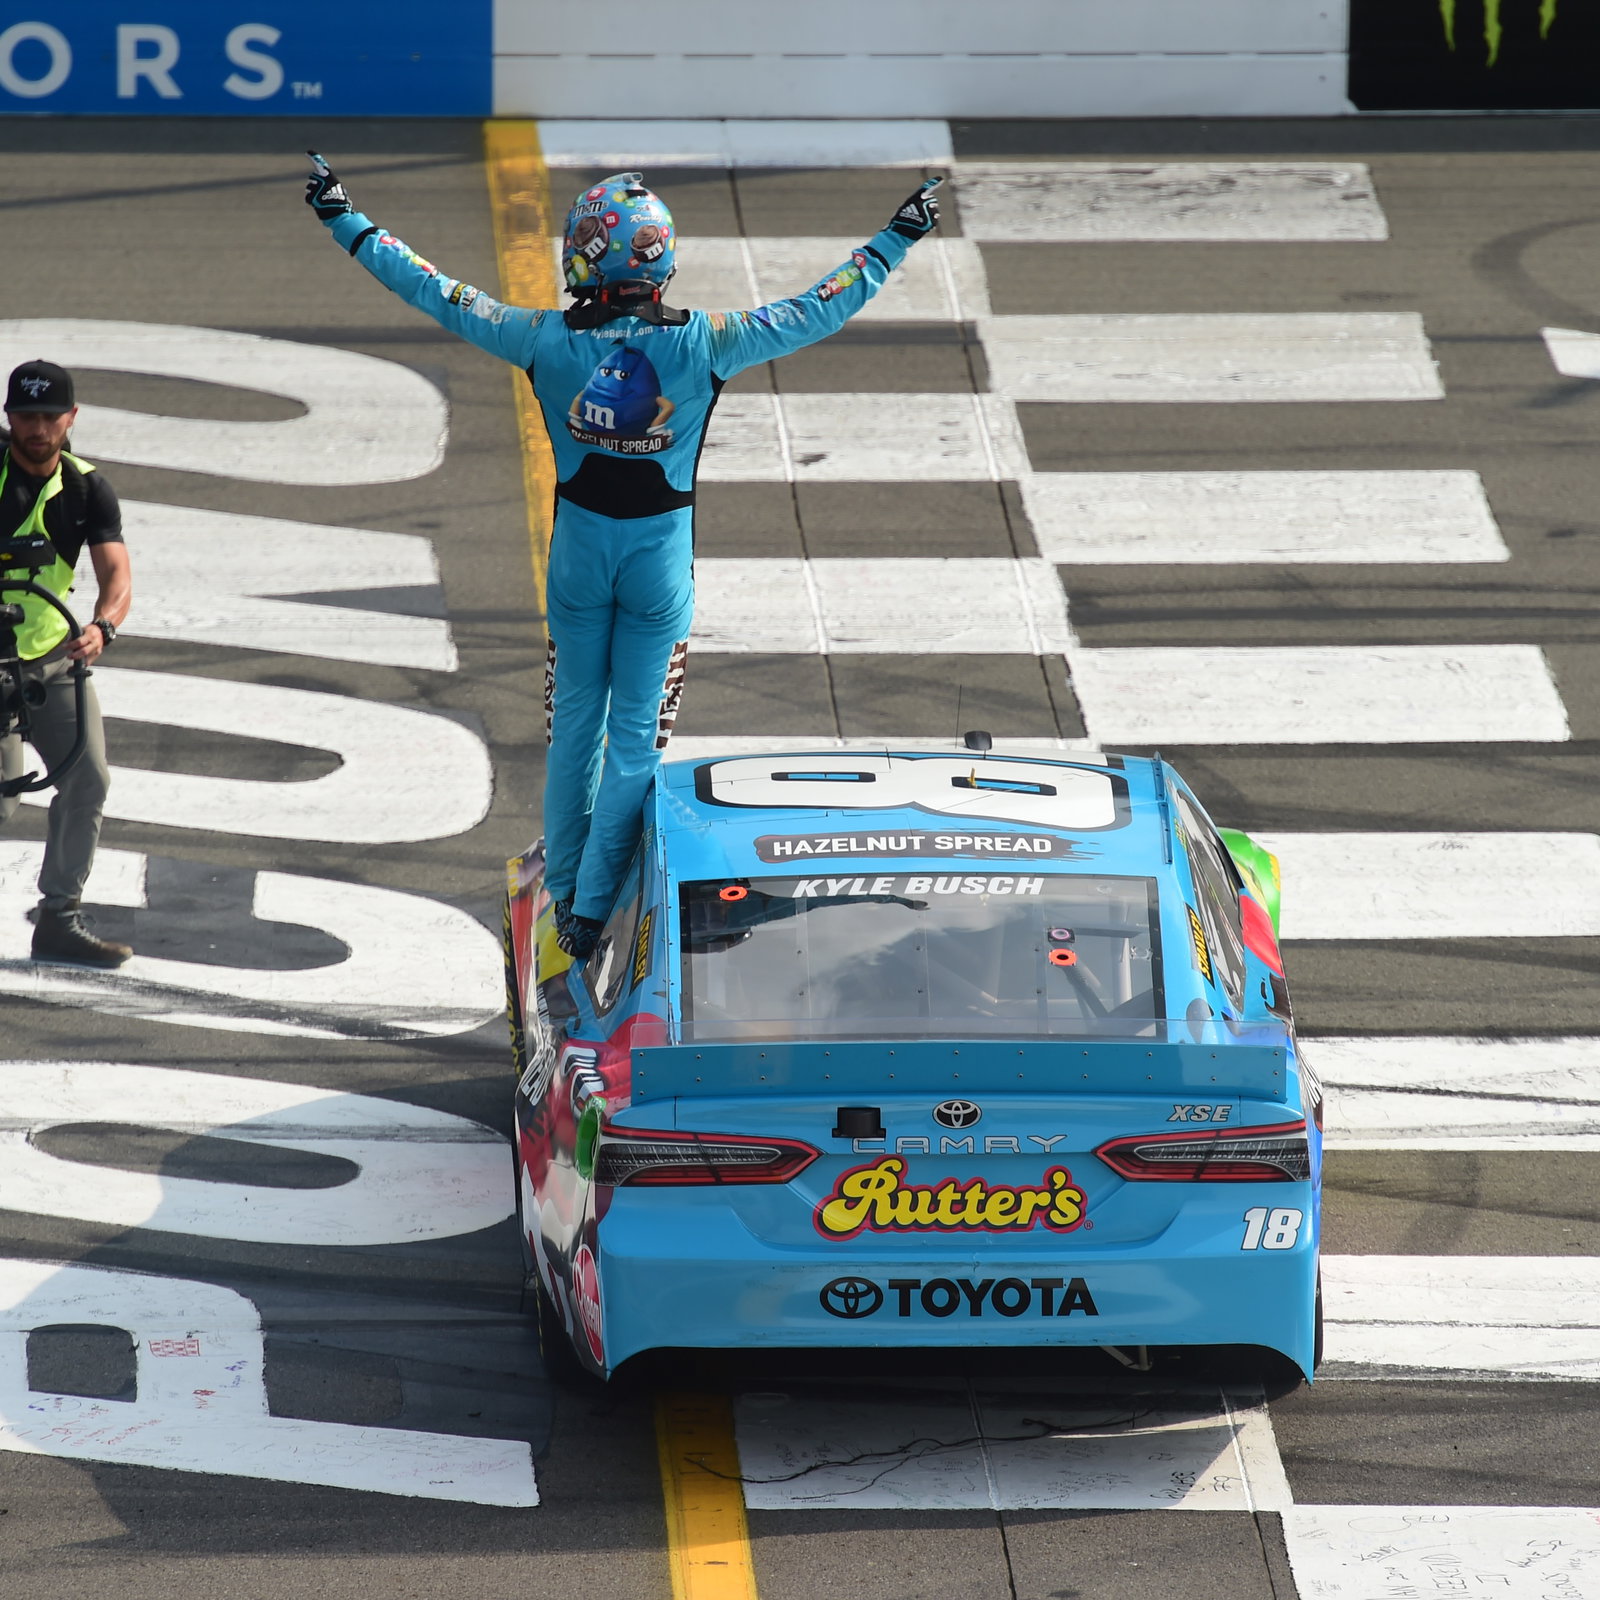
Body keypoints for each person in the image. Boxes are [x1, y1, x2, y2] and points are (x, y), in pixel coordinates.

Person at [305, 155, 942, 957]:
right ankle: (591, 909)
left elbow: (433, 289)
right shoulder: (712, 340)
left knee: (575, 727)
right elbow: (818, 309)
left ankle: (565, 892)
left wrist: (345, 218)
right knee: (636, 739)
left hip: (577, 552)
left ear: (582, 255)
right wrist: (896, 237)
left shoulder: (537, 337)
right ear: (662, 261)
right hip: (660, 560)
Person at [0, 360, 133, 967]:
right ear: (9, 419)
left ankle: (59, 918)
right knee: (2, 801)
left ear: (70, 419)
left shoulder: (86, 488)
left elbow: (117, 575)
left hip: (54, 662)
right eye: (26, 417)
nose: (38, 429)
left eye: (50, 417)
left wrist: (102, 626)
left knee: (89, 779)